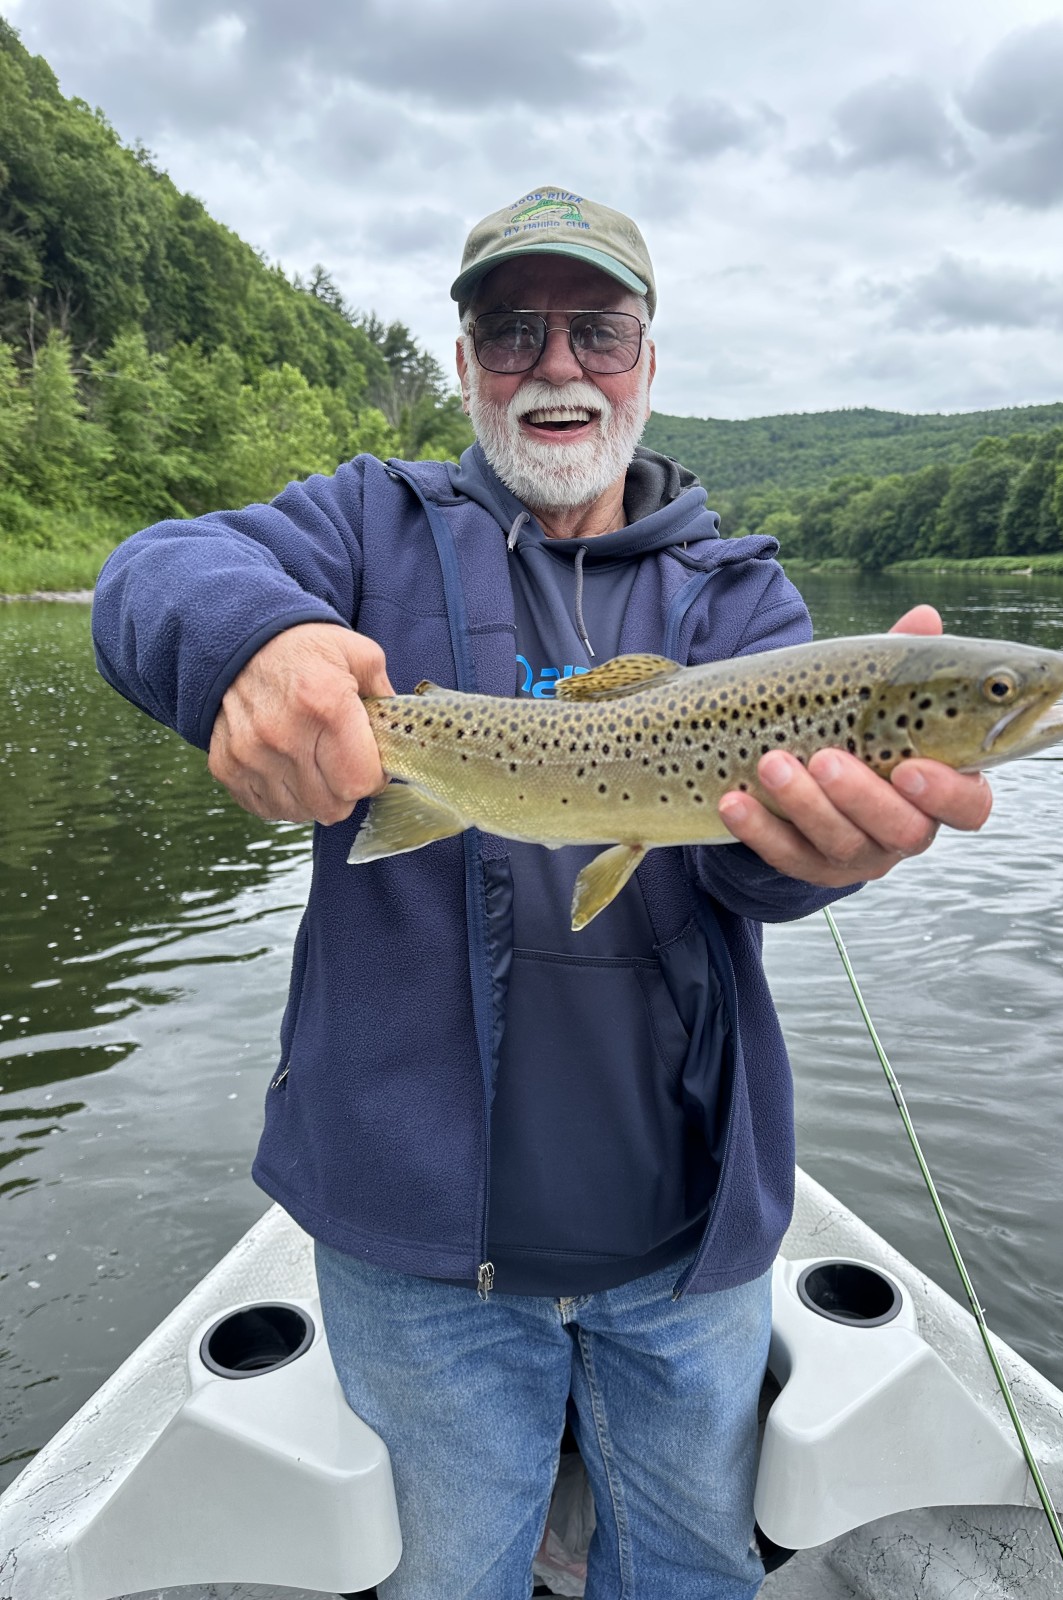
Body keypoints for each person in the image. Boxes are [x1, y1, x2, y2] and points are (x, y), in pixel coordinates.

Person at [91, 185, 992, 1599]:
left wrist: (826, 858)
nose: (557, 365)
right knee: (450, 1575)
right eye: (513, 332)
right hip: (413, 1255)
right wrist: (251, 642)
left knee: (694, 1570)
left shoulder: (743, 606)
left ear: (647, 358)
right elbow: (149, 570)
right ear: (462, 363)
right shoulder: (364, 526)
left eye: (598, 330)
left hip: (686, 1246)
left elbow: (757, 882)